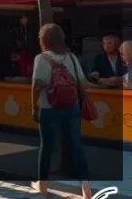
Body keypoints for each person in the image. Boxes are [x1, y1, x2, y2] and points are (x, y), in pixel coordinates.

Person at [31, 24, 92, 199]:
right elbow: (83, 83)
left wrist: (34, 107)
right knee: (76, 146)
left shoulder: (41, 58)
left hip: (49, 109)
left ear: (44, 40)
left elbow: (37, 86)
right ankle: (86, 188)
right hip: (72, 107)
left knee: (47, 147)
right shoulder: (71, 57)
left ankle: (42, 185)